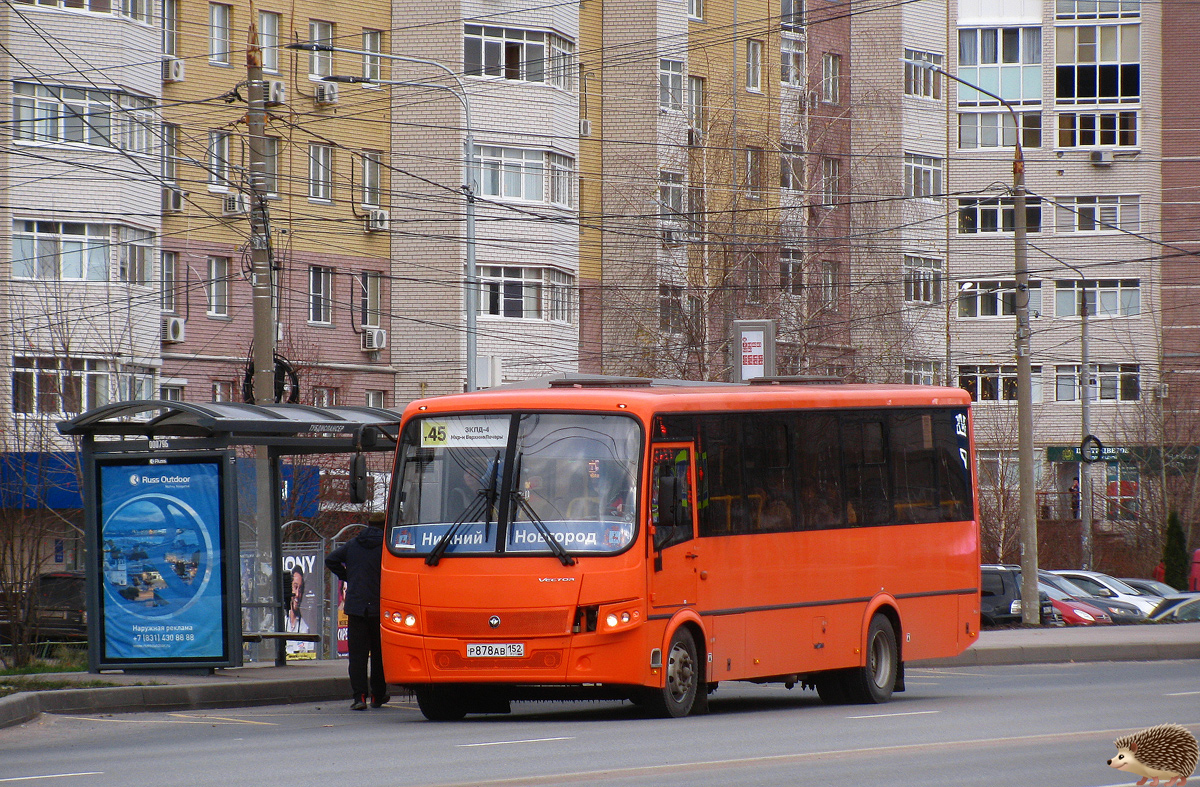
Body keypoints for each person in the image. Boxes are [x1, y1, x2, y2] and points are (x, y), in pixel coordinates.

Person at [325, 514, 388, 710]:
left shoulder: (353, 544)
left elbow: (331, 559)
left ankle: (359, 697)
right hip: (380, 607)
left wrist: (348, 576)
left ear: (369, 525)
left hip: (356, 607)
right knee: (379, 655)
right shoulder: (387, 546)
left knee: (358, 657)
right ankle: (377, 696)